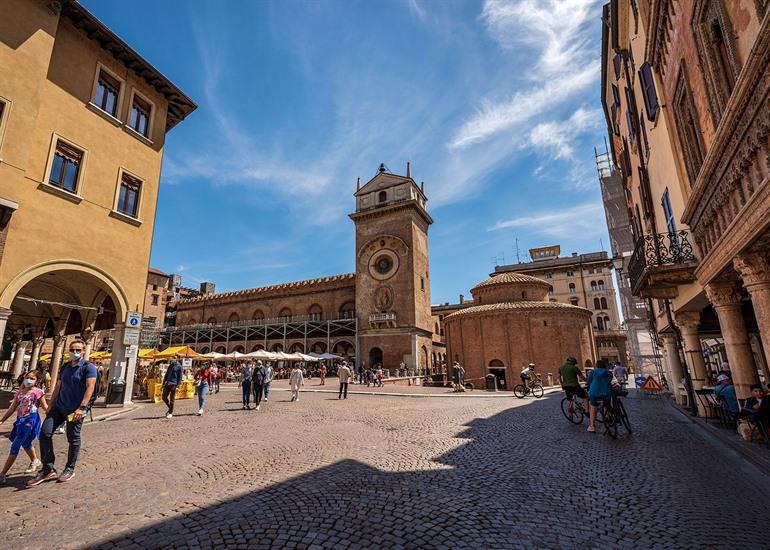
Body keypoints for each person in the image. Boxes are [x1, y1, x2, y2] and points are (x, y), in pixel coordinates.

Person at [28, 338, 96, 486]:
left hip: (75, 410)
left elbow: (90, 387)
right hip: (58, 407)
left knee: (73, 438)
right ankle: (48, 468)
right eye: (73, 350)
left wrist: (82, 407)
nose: (75, 352)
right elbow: (58, 386)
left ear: (83, 351)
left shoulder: (89, 367)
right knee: (44, 434)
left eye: (78, 350)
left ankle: (69, 468)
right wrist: (50, 404)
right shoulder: (65, 366)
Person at [0, 371, 47, 483]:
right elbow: (12, 408)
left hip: (30, 420)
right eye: (27, 377)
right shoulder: (20, 392)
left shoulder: (38, 392)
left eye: (32, 378)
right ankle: (35, 460)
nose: (28, 380)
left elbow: (45, 406)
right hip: (20, 420)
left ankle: (2, 473)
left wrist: (56, 416)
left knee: (16, 445)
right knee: (25, 443)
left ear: (37, 380)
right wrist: (2, 420)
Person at [586, 359, 614, 433]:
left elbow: (588, 381)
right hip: (606, 393)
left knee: (593, 407)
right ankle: (608, 418)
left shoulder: (593, 372)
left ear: (596, 365)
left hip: (594, 392)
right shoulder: (609, 372)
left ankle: (592, 426)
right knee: (607, 404)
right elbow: (609, 380)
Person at [162, 354, 183, 418]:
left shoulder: (180, 367)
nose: (172, 359)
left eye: (174, 358)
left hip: (174, 384)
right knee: (164, 397)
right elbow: (167, 374)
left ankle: (170, 413)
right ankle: (170, 408)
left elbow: (180, 377)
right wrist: (163, 383)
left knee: (172, 399)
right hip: (167, 383)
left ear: (178, 358)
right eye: (172, 357)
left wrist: (178, 386)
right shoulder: (170, 365)